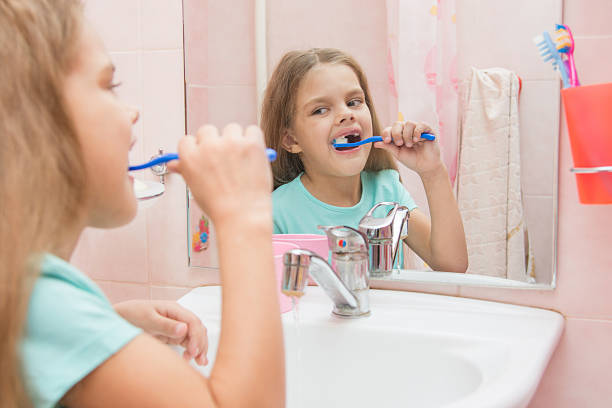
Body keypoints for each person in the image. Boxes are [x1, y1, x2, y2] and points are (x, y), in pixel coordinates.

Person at [0, 1, 284, 407]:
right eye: (107, 86)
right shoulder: (41, 302)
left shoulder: (28, 301)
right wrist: (244, 217)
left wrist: (106, 328)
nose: (131, 111)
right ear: (34, 125)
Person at [262, 48, 467, 273]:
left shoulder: (386, 190)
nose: (346, 114)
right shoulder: (276, 211)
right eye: (320, 110)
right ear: (291, 140)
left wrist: (433, 171)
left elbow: (451, 265)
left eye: (354, 102)